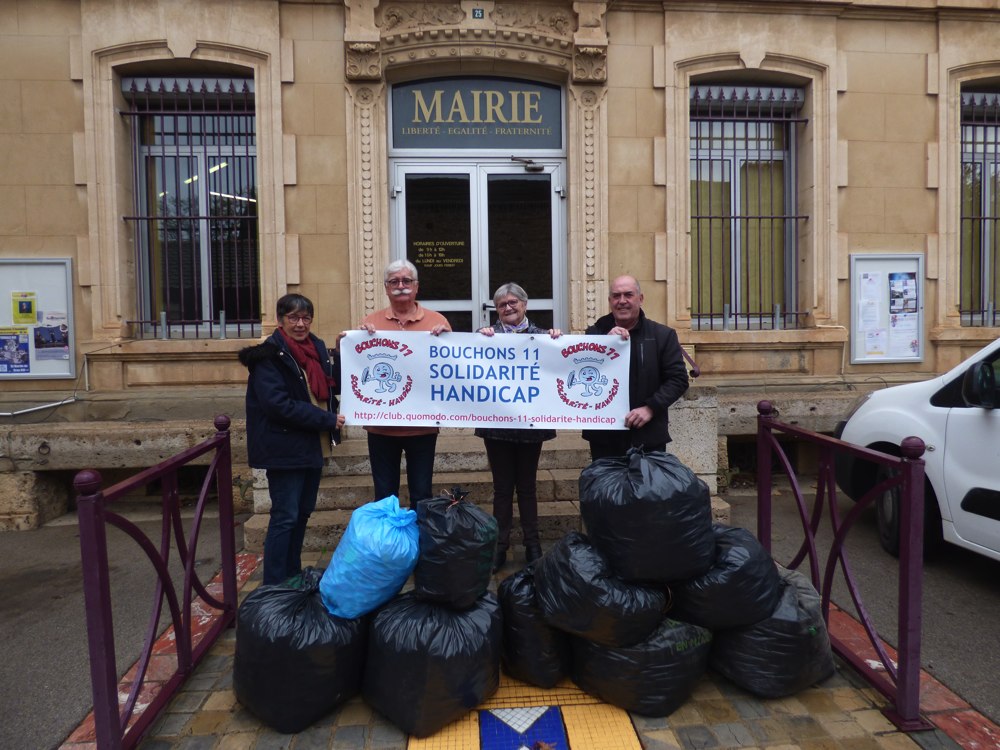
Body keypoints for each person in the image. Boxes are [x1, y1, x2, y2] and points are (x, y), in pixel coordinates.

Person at [239, 294, 346, 585]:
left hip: (312, 445)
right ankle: (275, 584)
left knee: (301, 514)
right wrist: (326, 419)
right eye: (293, 318)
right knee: (285, 516)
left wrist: (351, 348)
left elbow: (334, 379)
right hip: (283, 447)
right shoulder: (268, 356)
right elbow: (278, 405)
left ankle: (293, 574)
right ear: (281, 320)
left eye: (306, 318)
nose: (301, 324)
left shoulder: (317, 348)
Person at [476, 283, 562, 572]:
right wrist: (479, 338)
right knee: (502, 488)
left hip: (530, 424)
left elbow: (560, 364)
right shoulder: (486, 337)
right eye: (502, 305)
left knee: (527, 487)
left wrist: (558, 342)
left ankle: (532, 544)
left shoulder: (544, 337)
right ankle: (499, 546)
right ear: (496, 310)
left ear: (525, 305)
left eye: (513, 302)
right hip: (497, 425)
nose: (508, 308)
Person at [360, 259, 451, 508]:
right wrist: (351, 340)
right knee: (384, 496)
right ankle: (389, 546)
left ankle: (420, 545)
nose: (401, 286)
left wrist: (448, 341)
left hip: (421, 427)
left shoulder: (437, 322)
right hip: (381, 427)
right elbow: (353, 362)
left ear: (416, 286)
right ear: (386, 288)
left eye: (406, 281)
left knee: (422, 494)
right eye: (394, 282)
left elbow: (453, 369)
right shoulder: (371, 322)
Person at [583, 275, 689, 461]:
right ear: (609, 301)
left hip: (648, 436)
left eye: (628, 295)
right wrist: (603, 345)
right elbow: (582, 373)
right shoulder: (594, 333)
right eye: (616, 296)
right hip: (605, 438)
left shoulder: (662, 335)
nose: (622, 301)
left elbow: (678, 379)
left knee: (647, 490)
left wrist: (650, 408)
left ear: (640, 299)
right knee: (607, 491)